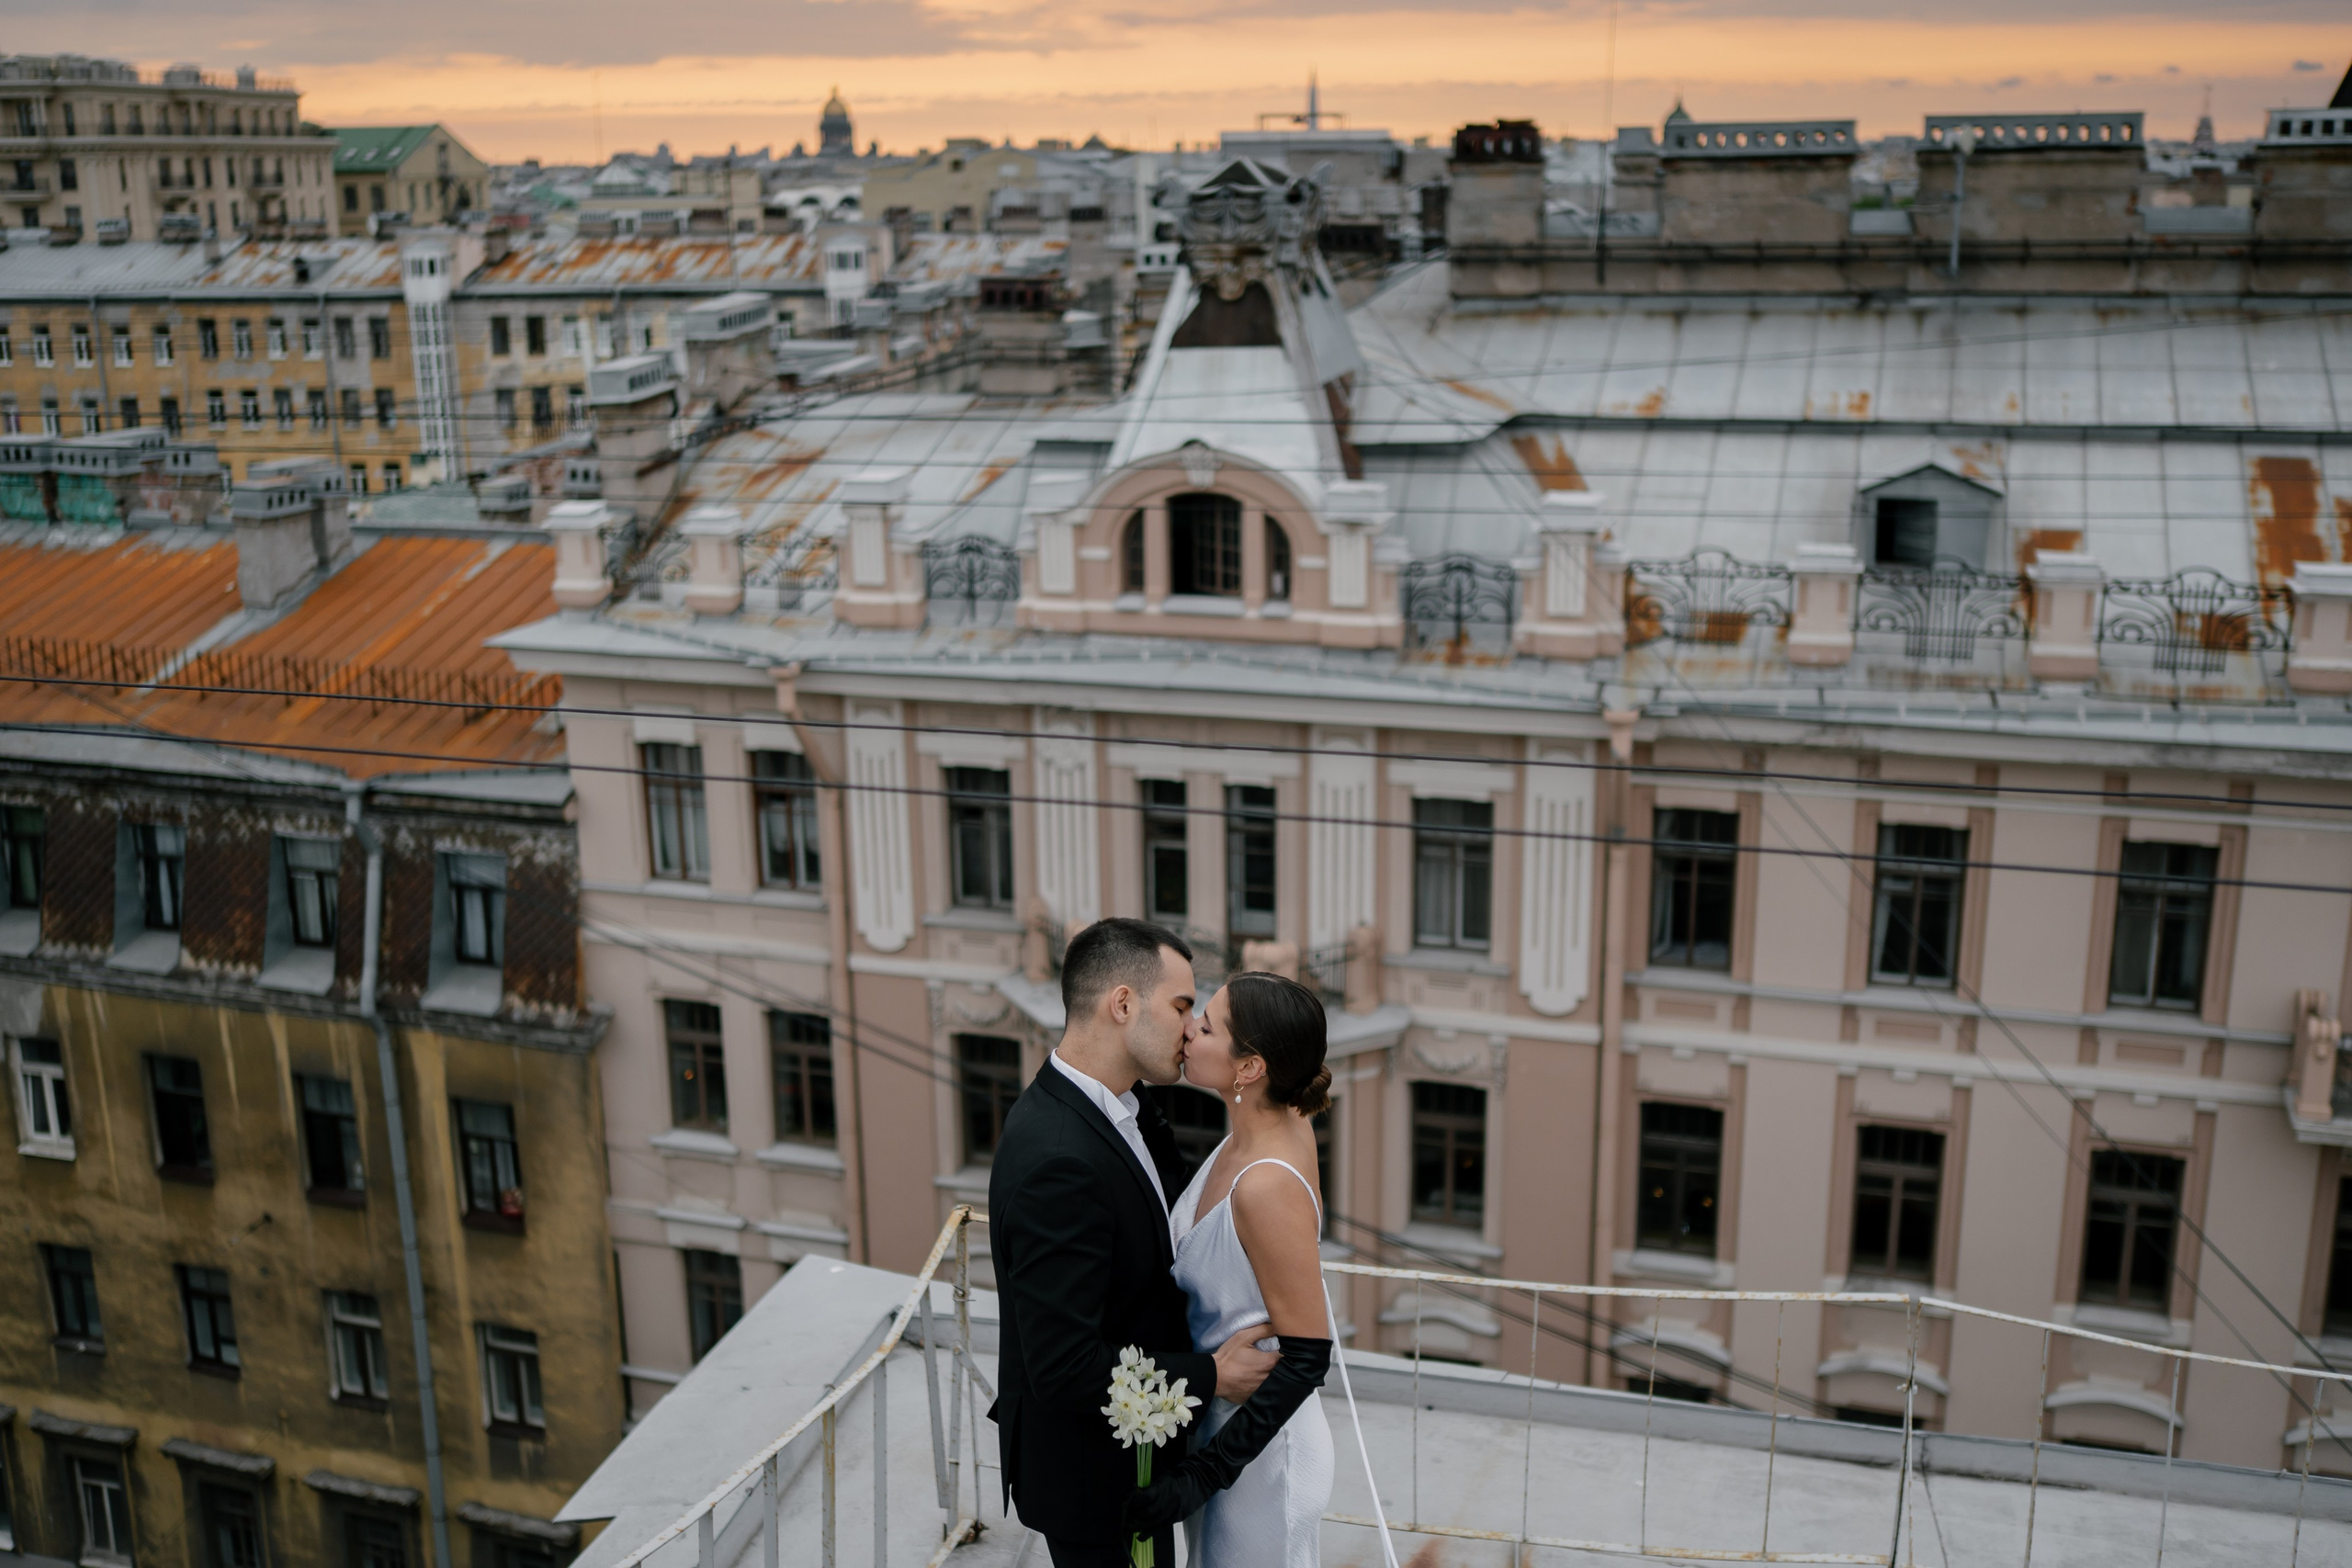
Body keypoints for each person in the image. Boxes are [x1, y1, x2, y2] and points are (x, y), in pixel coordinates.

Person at [988, 919, 1279, 1568]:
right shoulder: (1057, 1160)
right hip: (1096, 1487)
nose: (1191, 1027)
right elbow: (1062, 1365)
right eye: (1181, 1006)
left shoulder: (1131, 1105)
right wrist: (1211, 1376)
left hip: (1146, 1468)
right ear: (1122, 1004)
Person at [1125, 970, 1337, 1568]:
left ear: (1249, 1068)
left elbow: (1308, 1355)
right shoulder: (1266, 1124)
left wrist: (1201, 1474)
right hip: (1219, 1424)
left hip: (1263, 1460)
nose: (1189, 1028)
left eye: (1208, 1024)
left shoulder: (1267, 1184)